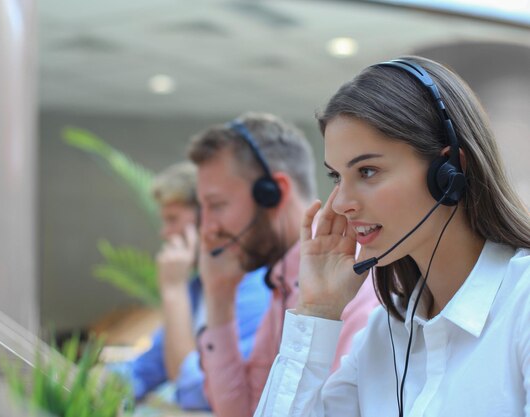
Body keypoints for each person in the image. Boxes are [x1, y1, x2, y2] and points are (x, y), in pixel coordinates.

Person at [254, 56, 530, 417]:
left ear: (449, 173)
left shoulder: (522, 305)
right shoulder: (384, 332)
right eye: (337, 177)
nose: (340, 204)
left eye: (367, 171)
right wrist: (318, 310)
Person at [188, 113, 379, 417]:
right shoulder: (283, 279)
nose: (206, 228)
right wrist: (218, 294)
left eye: (217, 205)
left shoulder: (348, 279)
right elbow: (245, 409)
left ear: (273, 193)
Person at [115, 161, 271, 410]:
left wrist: (173, 291)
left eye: (173, 219)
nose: (164, 233)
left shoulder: (259, 290)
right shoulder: (198, 288)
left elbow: (196, 389)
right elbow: (147, 368)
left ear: (207, 218)